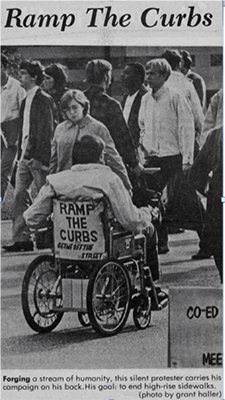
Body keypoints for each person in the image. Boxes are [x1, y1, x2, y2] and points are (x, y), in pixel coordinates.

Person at [24, 134, 161, 284]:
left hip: (67, 245)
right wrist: (147, 214)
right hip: (103, 243)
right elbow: (130, 220)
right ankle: (151, 285)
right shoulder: (108, 179)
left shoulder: (56, 181)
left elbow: (31, 217)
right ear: (100, 157)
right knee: (149, 230)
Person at [139, 58, 195, 253]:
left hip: (174, 158)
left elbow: (186, 128)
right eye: (147, 74)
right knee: (155, 202)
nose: (148, 78)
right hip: (153, 158)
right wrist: (144, 148)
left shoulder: (175, 96)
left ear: (164, 75)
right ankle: (161, 243)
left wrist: (187, 160)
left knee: (189, 201)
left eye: (152, 74)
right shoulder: (145, 99)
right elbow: (142, 126)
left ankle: (210, 241)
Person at [3, 60, 55, 252]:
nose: (20, 77)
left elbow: (46, 130)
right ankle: (21, 238)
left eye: (24, 73)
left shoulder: (43, 99)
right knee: (19, 195)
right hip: (24, 155)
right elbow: (24, 130)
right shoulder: (25, 100)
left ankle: (50, 235)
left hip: (37, 158)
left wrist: (40, 158)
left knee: (46, 196)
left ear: (34, 77)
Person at [49, 89, 132, 193]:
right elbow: (54, 160)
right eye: (67, 109)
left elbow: (113, 158)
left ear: (83, 106)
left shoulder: (98, 128)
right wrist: (50, 182)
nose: (72, 112)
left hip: (91, 186)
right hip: (64, 184)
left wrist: (125, 185)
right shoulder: (60, 129)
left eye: (75, 107)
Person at [84, 59, 141, 180]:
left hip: (78, 160)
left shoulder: (78, 101)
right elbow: (122, 138)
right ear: (105, 77)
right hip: (104, 162)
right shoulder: (111, 104)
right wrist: (134, 164)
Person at [189, 125, 223, 283]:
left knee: (219, 247)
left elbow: (195, 175)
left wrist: (210, 193)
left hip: (219, 202)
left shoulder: (216, 135)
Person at [161, 49, 204, 156]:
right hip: (185, 142)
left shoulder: (155, 85)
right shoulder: (187, 84)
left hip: (161, 145)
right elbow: (198, 116)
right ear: (180, 64)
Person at [0, 53, 26, 201]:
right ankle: (26, 197)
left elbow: (23, 112)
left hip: (12, 131)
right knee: (14, 172)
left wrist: (19, 135)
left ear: (6, 68)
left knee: (3, 170)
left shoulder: (16, 86)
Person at [121, 62, 148, 150]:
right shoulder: (126, 97)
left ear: (138, 77)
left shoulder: (146, 97)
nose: (122, 75)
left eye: (127, 73)